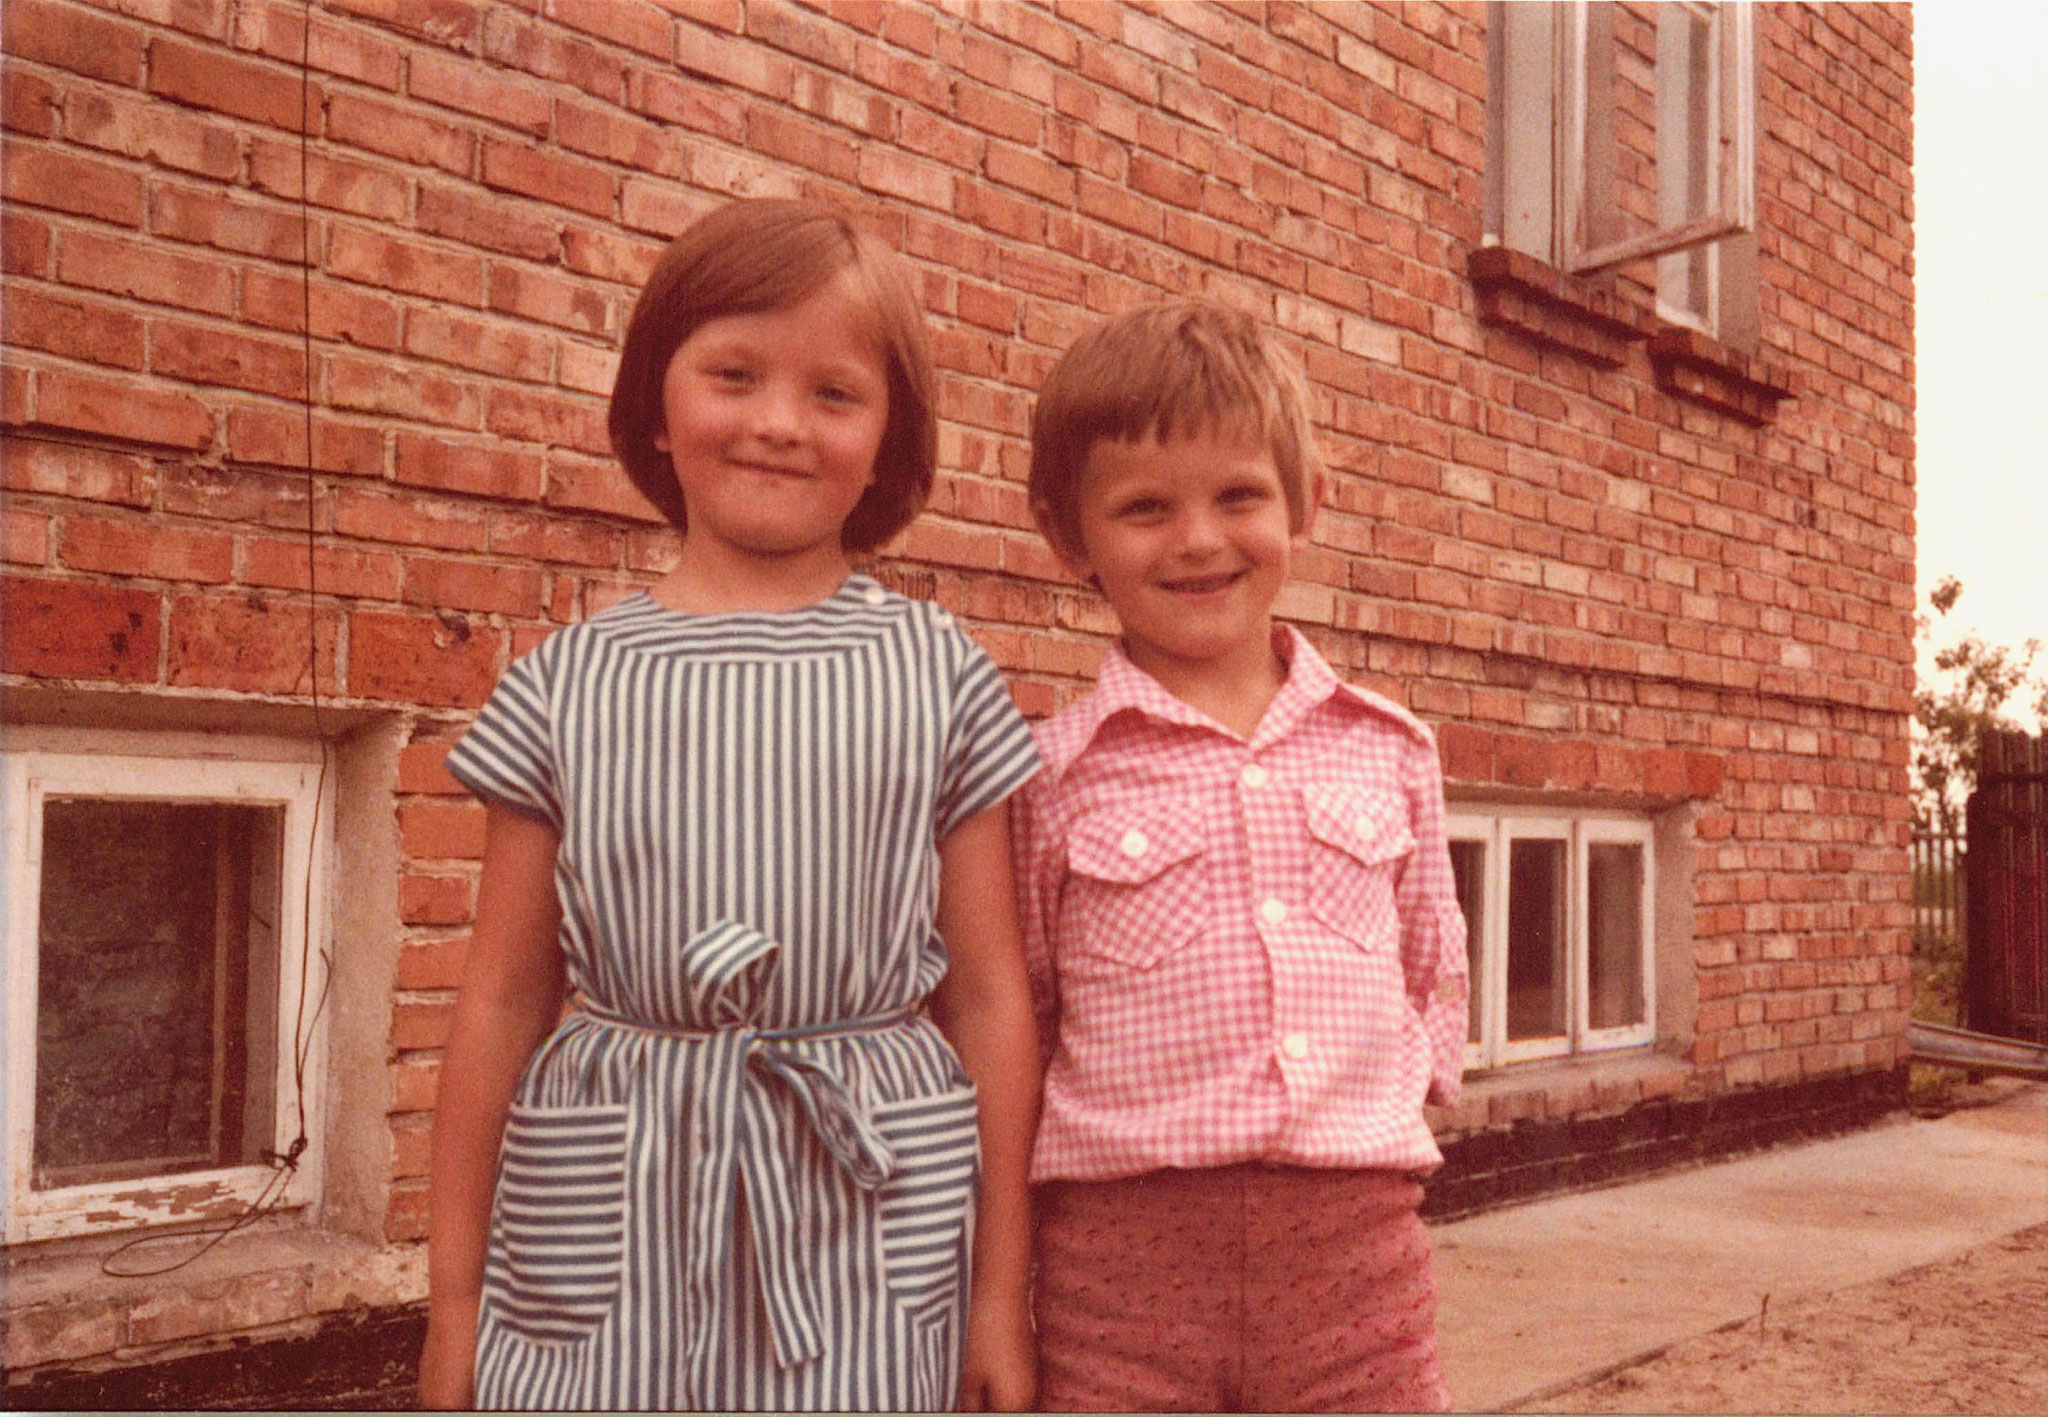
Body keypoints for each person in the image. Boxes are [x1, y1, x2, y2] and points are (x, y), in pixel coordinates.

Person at [416, 198, 1042, 1413]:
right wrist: (454, 1305)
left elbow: (989, 994)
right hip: (610, 1211)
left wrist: (995, 1294)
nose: (775, 425)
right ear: (656, 405)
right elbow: (498, 996)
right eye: (734, 375)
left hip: (870, 1202)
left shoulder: (936, 668)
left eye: (832, 394)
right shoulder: (567, 680)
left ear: (886, 440)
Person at [1013, 300, 1469, 1412]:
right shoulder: (1047, 777)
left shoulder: (1388, 750)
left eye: (1236, 495)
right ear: (1066, 535)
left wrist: (1370, 1140)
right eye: (1143, 507)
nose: (1198, 539)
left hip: (1353, 1269)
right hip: (1117, 1282)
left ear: (1305, 499)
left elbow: (1430, 969)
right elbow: (1017, 1011)